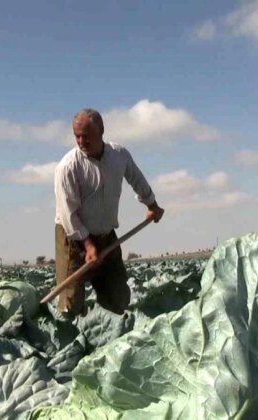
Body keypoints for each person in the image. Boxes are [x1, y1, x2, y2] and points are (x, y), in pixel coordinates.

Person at [54, 108, 164, 318]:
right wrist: (87, 245)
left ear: (101, 131)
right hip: (74, 239)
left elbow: (137, 179)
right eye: (77, 136)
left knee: (118, 298)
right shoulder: (67, 167)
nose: (80, 141)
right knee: (70, 305)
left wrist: (152, 205)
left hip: (106, 236)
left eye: (86, 136)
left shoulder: (119, 155)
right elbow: (68, 214)